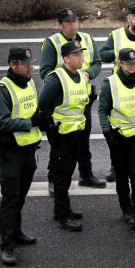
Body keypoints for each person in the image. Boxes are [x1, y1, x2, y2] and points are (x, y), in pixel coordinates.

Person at [0, 47, 48, 265]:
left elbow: (32, 109)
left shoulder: (30, 82)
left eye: (31, 63)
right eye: (26, 64)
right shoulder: (2, 90)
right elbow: (2, 123)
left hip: (29, 148)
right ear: (13, 65)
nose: (30, 67)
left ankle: (17, 232)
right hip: (11, 152)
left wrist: (42, 120)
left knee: (20, 196)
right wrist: (31, 122)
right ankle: (6, 246)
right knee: (10, 199)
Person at [40, 8, 104, 190]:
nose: (73, 24)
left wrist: (87, 74)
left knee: (83, 138)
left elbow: (97, 64)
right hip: (62, 101)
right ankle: (54, 179)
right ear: (60, 25)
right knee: (60, 143)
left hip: (83, 98)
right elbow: (45, 72)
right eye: (68, 22)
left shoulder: (87, 39)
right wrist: (67, 78)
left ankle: (86, 174)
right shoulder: (52, 43)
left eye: (75, 20)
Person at [38, 40, 91, 232]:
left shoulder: (82, 77)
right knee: (61, 176)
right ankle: (62, 216)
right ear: (66, 58)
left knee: (68, 174)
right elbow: (42, 106)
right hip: (61, 135)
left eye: (81, 53)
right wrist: (50, 129)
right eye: (76, 55)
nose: (80, 57)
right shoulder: (56, 78)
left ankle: (61, 208)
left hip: (76, 133)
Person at [98, 48, 135, 230]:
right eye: (128, 63)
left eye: (134, 63)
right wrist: (106, 132)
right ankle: (126, 208)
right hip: (117, 136)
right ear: (120, 63)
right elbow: (102, 110)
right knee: (121, 174)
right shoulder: (110, 83)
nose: (132, 66)